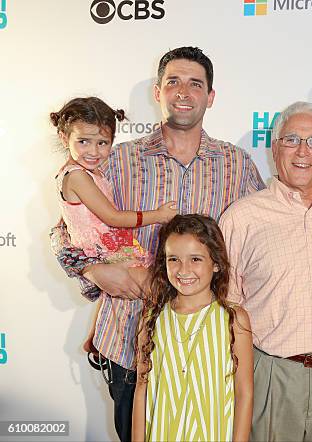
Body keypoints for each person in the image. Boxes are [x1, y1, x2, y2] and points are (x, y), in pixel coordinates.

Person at [51, 46, 265, 442]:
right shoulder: (116, 160)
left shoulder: (237, 164)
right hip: (131, 339)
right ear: (158, 91)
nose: (183, 92)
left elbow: (268, 230)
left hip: (209, 352)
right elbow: (64, 228)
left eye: (195, 84)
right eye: (173, 82)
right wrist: (92, 269)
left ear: (210, 96)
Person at [219, 101, 312, 441]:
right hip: (270, 374)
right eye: (291, 140)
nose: (303, 151)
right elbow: (227, 304)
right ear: (274, 148)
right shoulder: (241, 218)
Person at [51, 96, 177, 361]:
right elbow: (113, 216)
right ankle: (147, 349)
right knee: (159, 290)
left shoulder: (91, 171)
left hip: (110, 247)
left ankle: (96, 338)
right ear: (65, 138)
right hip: (103, 250)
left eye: (102, 143)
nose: (93, 151)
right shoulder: (76, 176)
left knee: (148, 288)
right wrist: (158, 215)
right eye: (83, 141)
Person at [132, 214, 253, 442]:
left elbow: (244, 393)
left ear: (216, 263)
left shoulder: (234, 319)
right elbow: (142, 388)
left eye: (195, 259)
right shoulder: (151, 319)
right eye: (173, 259)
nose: (183, 270)